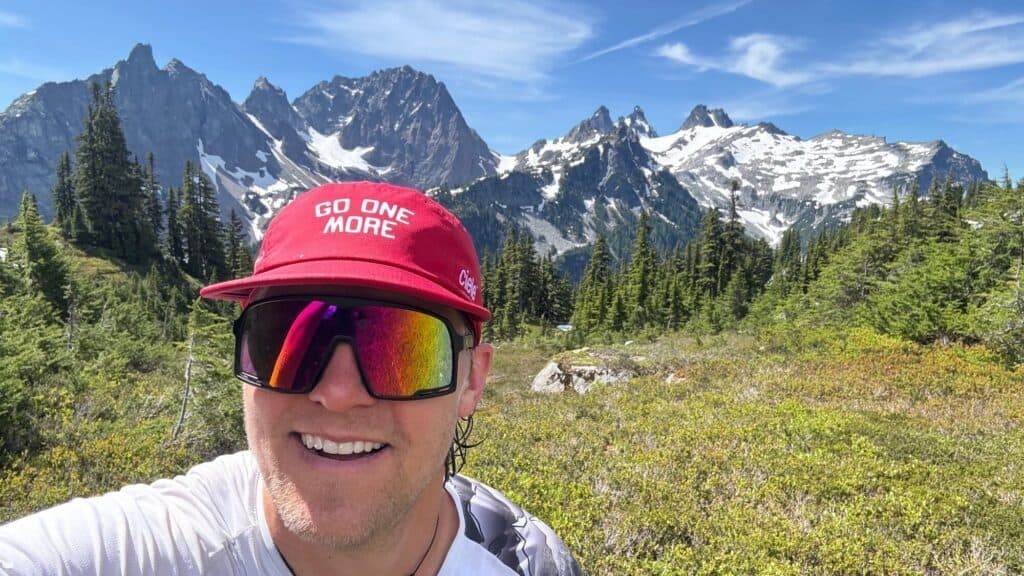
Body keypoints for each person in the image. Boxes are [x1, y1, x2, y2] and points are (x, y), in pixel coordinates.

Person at [0, 181, 582, 576]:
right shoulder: (155, 546)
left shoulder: (530, 563)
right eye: (288, 340)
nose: (338, 393)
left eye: (402, 349)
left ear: (472, 380)